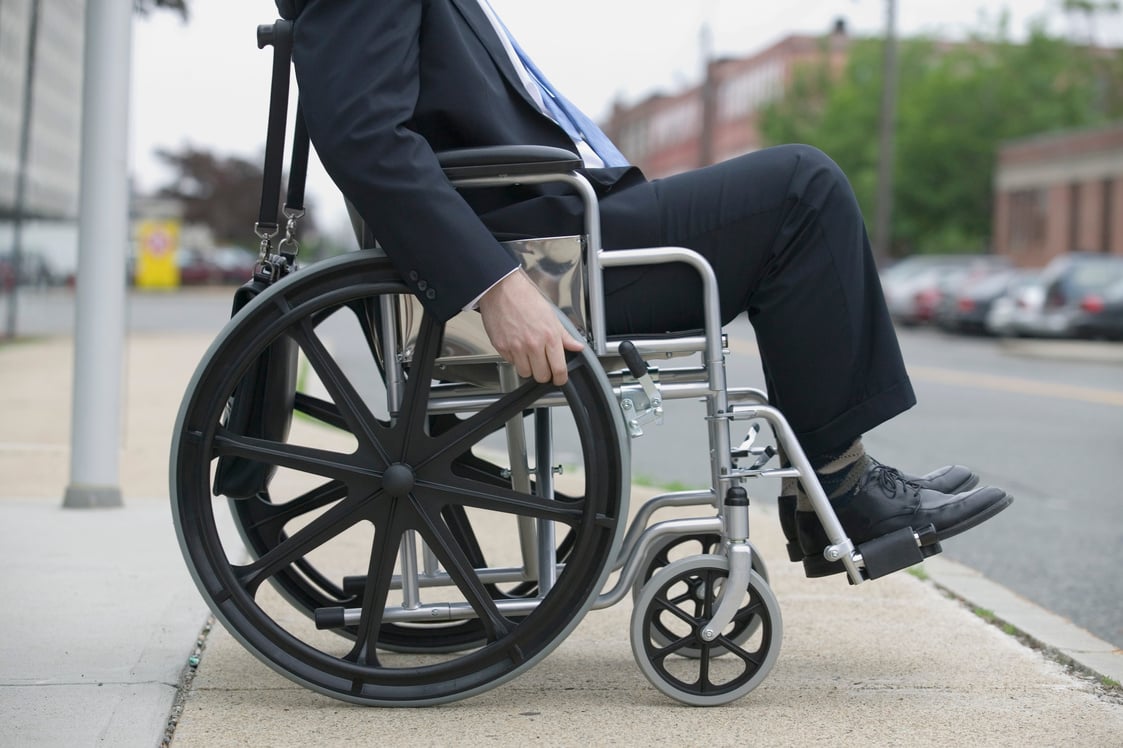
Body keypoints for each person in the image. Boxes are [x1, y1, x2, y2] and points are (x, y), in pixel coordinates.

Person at [279, 0, 1012, 576]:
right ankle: (841, 489)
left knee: (795, 190)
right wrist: (496, 288)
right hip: (536, 252)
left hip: (552, 224)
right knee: (801, 189)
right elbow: (364, 138)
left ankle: (831, 485)